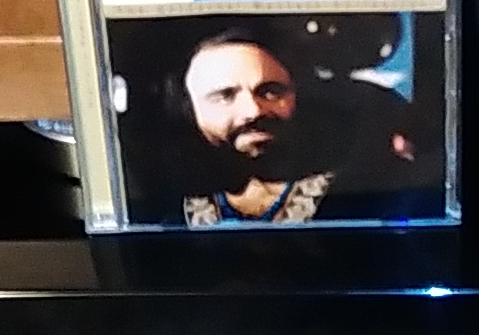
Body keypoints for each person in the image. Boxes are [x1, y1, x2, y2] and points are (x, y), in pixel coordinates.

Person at [165, 22, 431, 227]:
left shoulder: (364, 192)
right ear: (189, 109)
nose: (253, 111)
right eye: (225, 96)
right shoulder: (164, 202)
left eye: (271, 92)